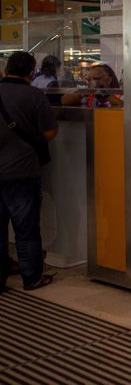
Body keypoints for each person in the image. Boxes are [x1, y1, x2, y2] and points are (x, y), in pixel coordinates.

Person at [0, 52, 59, 292]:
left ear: (6, 70)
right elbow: (49, 132)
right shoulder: (34, 96)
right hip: (22, 172)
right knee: (26, 229)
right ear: (32, 72)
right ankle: (32, 277)